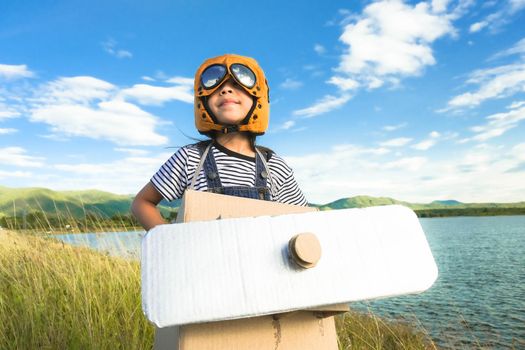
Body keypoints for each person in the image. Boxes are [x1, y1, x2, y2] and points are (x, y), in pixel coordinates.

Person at [131, 54, 307, 230]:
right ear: (203, 100)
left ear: (258, 97)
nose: (226, 90)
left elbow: (303, 219)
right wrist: (170, 240)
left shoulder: (274, 166)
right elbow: (142, 202)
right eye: (217, 87)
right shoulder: (190, 158)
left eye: (237, 84)